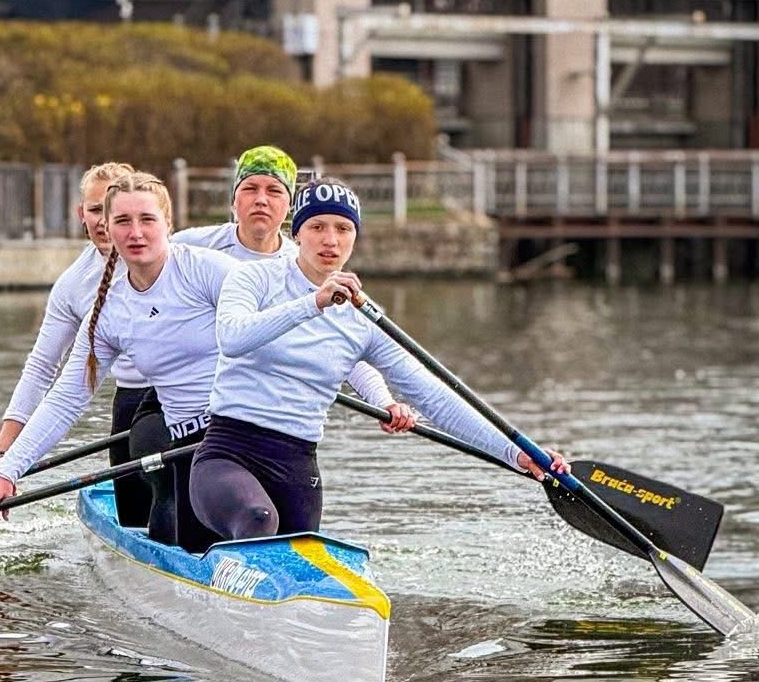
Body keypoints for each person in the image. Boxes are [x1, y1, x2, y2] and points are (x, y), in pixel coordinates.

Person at [0, 173, 418, 551]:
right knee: (206, 529)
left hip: (250, 434)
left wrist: (381, 398)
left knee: (277, 532)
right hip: (190, 446)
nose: (136, 232)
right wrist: (7, 473)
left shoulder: (211, 272)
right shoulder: (106, 312)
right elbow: (66, 400)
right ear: (106, 228)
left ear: (169, 224)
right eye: (123, 221)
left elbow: (321, 339)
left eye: (147, 219)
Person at [189, 179, 567, 544]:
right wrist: (314, 303)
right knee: (259, 519)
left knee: (300, 552)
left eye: (343, 228)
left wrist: (515, 452)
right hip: (229, 452)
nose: (330, 240)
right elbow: (233, 338)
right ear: (297, 232)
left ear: (355, 237)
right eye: (318, 226)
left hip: (296, 465)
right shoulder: (253, 278)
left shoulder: (362, 318)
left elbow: (435, 397)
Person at [0, 159, 158, 527]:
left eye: (115, 211)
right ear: (82, 214)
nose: (105, 221)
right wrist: (2, 454)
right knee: (144, 524)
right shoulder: (75, 285)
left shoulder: (180, 258)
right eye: (96, 210)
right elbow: (44, 369)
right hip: (133, 407)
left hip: (193, 400)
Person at [177, 144, 301, 262]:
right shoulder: (190, 248)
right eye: (250, 189)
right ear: (234, 200)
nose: (261, 200)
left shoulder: (299, 264)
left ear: (290, 204)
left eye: (274, 191)